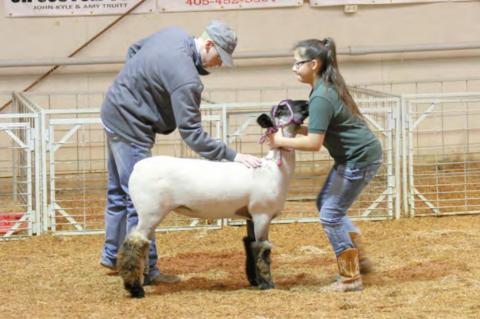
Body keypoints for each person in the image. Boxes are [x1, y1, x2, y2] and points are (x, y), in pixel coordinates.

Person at [99, 21, 262, 285]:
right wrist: (232, 156)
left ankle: (110, 255)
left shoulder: (171, 33)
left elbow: (133, 50)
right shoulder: (187, 79)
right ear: (209, 44)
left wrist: (135, 88)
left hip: (112, 111)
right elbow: (192, 135)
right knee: (140, 200)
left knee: (119, 190)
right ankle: (146, 271)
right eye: (219, 57)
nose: (218, 65)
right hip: (132, 126)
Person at [267, 38, 382, 292]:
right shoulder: (324, 88)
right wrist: (295, 130)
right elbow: (323, 129)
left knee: (330, 216)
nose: (294, 68)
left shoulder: (321, 96)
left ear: (315, 64)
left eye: (298, 63)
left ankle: (350, 278)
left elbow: (314, 143)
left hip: (358, 159)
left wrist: (281, 140)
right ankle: (357, 254)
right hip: (355, 156)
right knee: (327, 206)